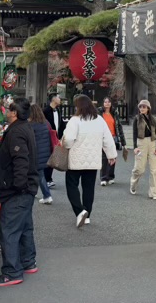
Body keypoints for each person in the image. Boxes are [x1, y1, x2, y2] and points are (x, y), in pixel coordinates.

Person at [0, 98, 40, 287]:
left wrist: (17, 185)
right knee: (24, 226)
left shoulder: (16, 132)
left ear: (14, 113)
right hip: (27, 187)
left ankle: (12, 272)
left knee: (9, 229)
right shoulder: (25, 127)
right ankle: (27, 261)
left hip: (19, 190)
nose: (6, 112)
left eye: (8, 110)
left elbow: (21, 160)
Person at [62, 95, 117, 227]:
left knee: (72, 185)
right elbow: (108, 139)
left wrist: (66, 146)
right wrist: (111, 155)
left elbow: (68, 139)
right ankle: (87, 214)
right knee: (88, 188)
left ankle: (80, 211)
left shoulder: (75, 120)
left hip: (76, 159)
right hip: (92, 161)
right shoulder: (99, 120)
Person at [129, 99, 156, 200]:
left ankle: (154, 192)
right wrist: (135, 147)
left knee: (154, 169)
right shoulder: (136, 119)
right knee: (139, 169)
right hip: (141, 143)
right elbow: (134, 133)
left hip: (152, 143)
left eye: (144, 107)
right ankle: (133, 183)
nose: (142, 108)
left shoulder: (153, 119)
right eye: (140, 107)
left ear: (148, 108)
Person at [98, 97, 126, 186]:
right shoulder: (99, 113)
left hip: (113, 137)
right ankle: (103, 177)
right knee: (104, 158)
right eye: (105, 102)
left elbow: (119, 126)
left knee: (113, 157)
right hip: (102, 137)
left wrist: (123, 141)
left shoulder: (114, 113)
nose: (107, 103)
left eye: (108, 102)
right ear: (103, 103)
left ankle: (110, 176)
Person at [29, 104, 54, 205]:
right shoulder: (45, 123)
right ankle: (34, 191)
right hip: (45, 152)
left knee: (40, 175)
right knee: (38, 174)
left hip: (36, 153)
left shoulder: (31, 125)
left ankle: (47, 195)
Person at [43, 92, 66, 188]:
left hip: (56, 136)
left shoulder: (58, 110)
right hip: (48, 136)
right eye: (58, 97)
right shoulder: (46, 111)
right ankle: (46, 179)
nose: (60, 99)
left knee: (54, 156)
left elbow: (60, 123)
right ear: (53, 99)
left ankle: (49, 178)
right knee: (48, 157)